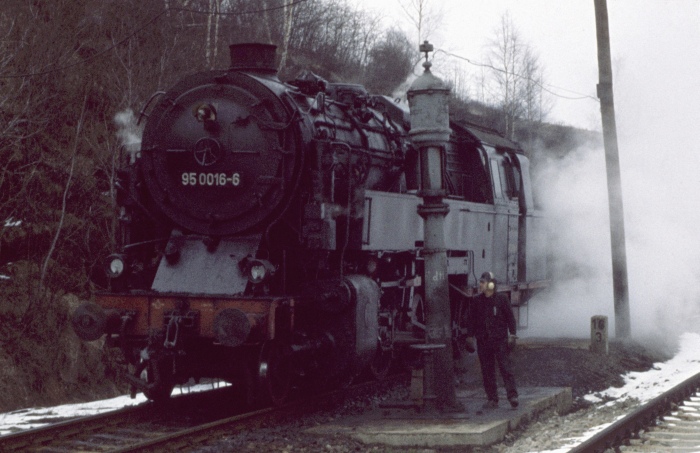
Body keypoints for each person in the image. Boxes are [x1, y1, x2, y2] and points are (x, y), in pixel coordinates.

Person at [467, 271, 519, 409]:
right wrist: (469, 336)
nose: (480, 285)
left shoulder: (502, 299)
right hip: (483, 341)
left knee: (505, 368)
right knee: (487, 371)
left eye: (483, 282)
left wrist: (512, 335)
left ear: (491, 284)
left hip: (500, 340)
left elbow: (510, 319)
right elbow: (471, 320)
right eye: (480, 282)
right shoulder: (477, 301)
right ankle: (492, 399)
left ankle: (512, 396)